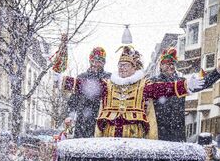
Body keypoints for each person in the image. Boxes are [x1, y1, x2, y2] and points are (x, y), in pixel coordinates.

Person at [62, 46, 205, 139]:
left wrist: (186, 85)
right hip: (109, 139)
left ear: (133, 68)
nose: (122, 68)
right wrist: (61, 80)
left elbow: (165, 89)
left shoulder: (144, 86)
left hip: (134, 138)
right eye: (120, 65)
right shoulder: (108, 85)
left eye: (126, 65)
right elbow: (85, 85)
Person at [150, 48, 220, 142]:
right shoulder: (153, 82)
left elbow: (203, 83)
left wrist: (218, 70)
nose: (171, 66)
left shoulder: (182, 82)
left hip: (177, 133)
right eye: (167, 64)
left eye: (172, 64)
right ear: (161, 66)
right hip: (158, 132)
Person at [64, 47, 111, 138]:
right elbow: (74, 99)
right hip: (82, 119)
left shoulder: (109, 78)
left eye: (99, 61)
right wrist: (70, 114)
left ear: (103, 63)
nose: (96, 64)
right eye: (93, 61)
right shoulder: (81, 77)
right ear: (90, 61)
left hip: (102, 118)